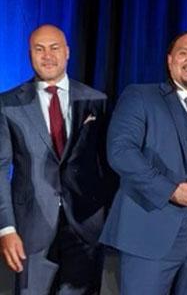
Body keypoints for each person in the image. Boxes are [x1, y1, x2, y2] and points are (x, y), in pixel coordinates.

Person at [100, 31, 187, 294]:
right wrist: (171, 190)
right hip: (149, 236)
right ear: (170, 60)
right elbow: (120, 151)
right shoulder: (140, 97)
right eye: (184, 53)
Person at [0, 24, 112, 294]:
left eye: (54, 48)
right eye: (39, 49)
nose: (47, 55)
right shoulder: (7, 104)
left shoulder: (96, 100)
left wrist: (105, 218)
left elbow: (108, 167)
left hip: (85, 228)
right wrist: (6, 229)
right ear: (30, 55)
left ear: (68, 52)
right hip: (31, 229)